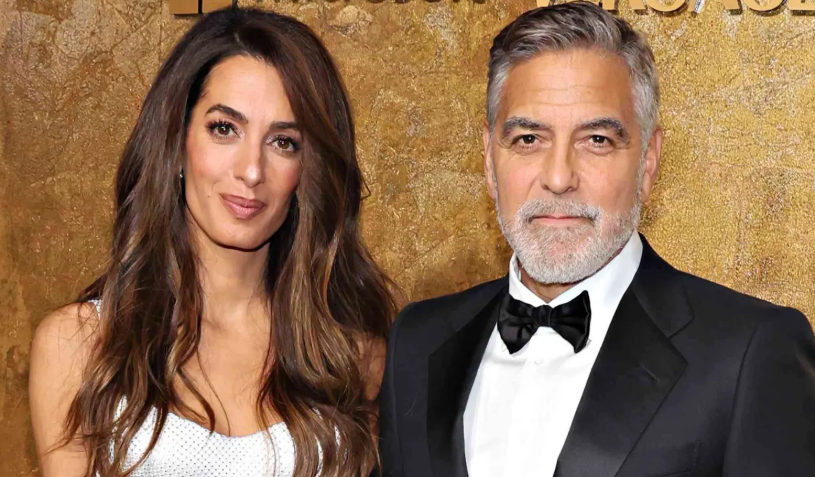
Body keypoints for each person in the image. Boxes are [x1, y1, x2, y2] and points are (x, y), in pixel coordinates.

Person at [378, 3, 815, 477]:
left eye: (597, 140)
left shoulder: (749, 351)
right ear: (489, 159)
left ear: (647, 162)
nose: (559, 178)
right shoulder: (416, 342)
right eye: (528, 139)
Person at [29, 7, 395, 477]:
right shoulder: (81, 348)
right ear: (177, 142)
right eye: (224, 128)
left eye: (283, 142)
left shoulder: (353, 360)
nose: (251, 170)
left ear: (308, 171)